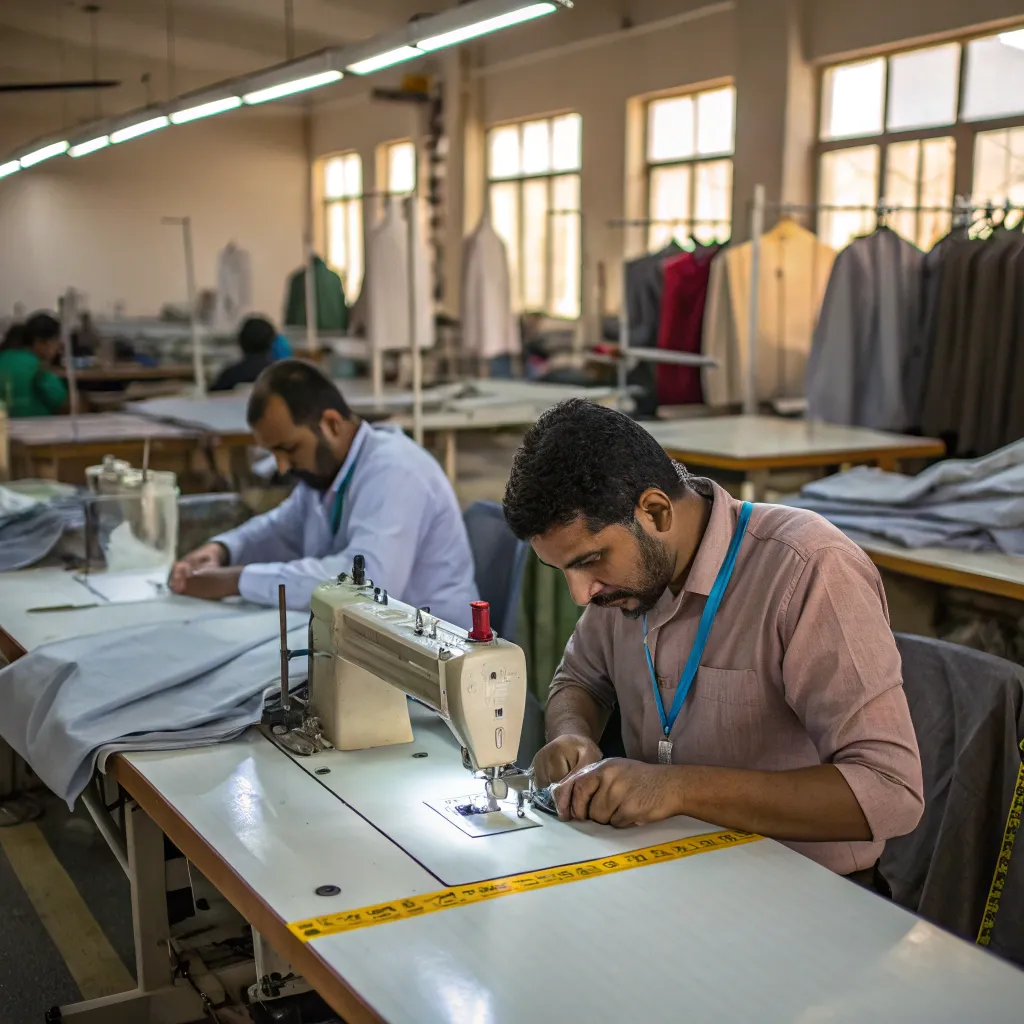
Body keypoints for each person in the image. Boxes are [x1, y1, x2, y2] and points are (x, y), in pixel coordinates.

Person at [502, 399, 923, 883]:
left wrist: (678, 789)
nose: (581, 594)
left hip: (805, 891)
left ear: (656, 512)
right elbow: (579, 679)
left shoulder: (807, 568)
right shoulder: (623, 586)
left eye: (589, 561)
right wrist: (571, 734)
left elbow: (891, 792)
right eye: (563, 572)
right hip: (670, 872)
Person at [169, 359, 479, 629]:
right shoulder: (326, 475)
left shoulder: (395, 471)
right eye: (273, 452)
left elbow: (366, 586)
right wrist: (223, 550)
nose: (281, 466)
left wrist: (236, 581)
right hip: (383, 645)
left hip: (438, 662)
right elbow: (281, 528)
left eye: (288, 449)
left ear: (331, 424)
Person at [0, 312, 68, 417]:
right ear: (46, 342)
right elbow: (66, 405)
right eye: (57, 342)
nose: (58, 349)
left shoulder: (4, 357)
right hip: (34, 429)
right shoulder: (38, 368)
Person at [209, 316, 281, 392]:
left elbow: (212, 398)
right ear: (272, 340)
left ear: (241, 341)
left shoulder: (231, 375)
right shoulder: (280, 375)